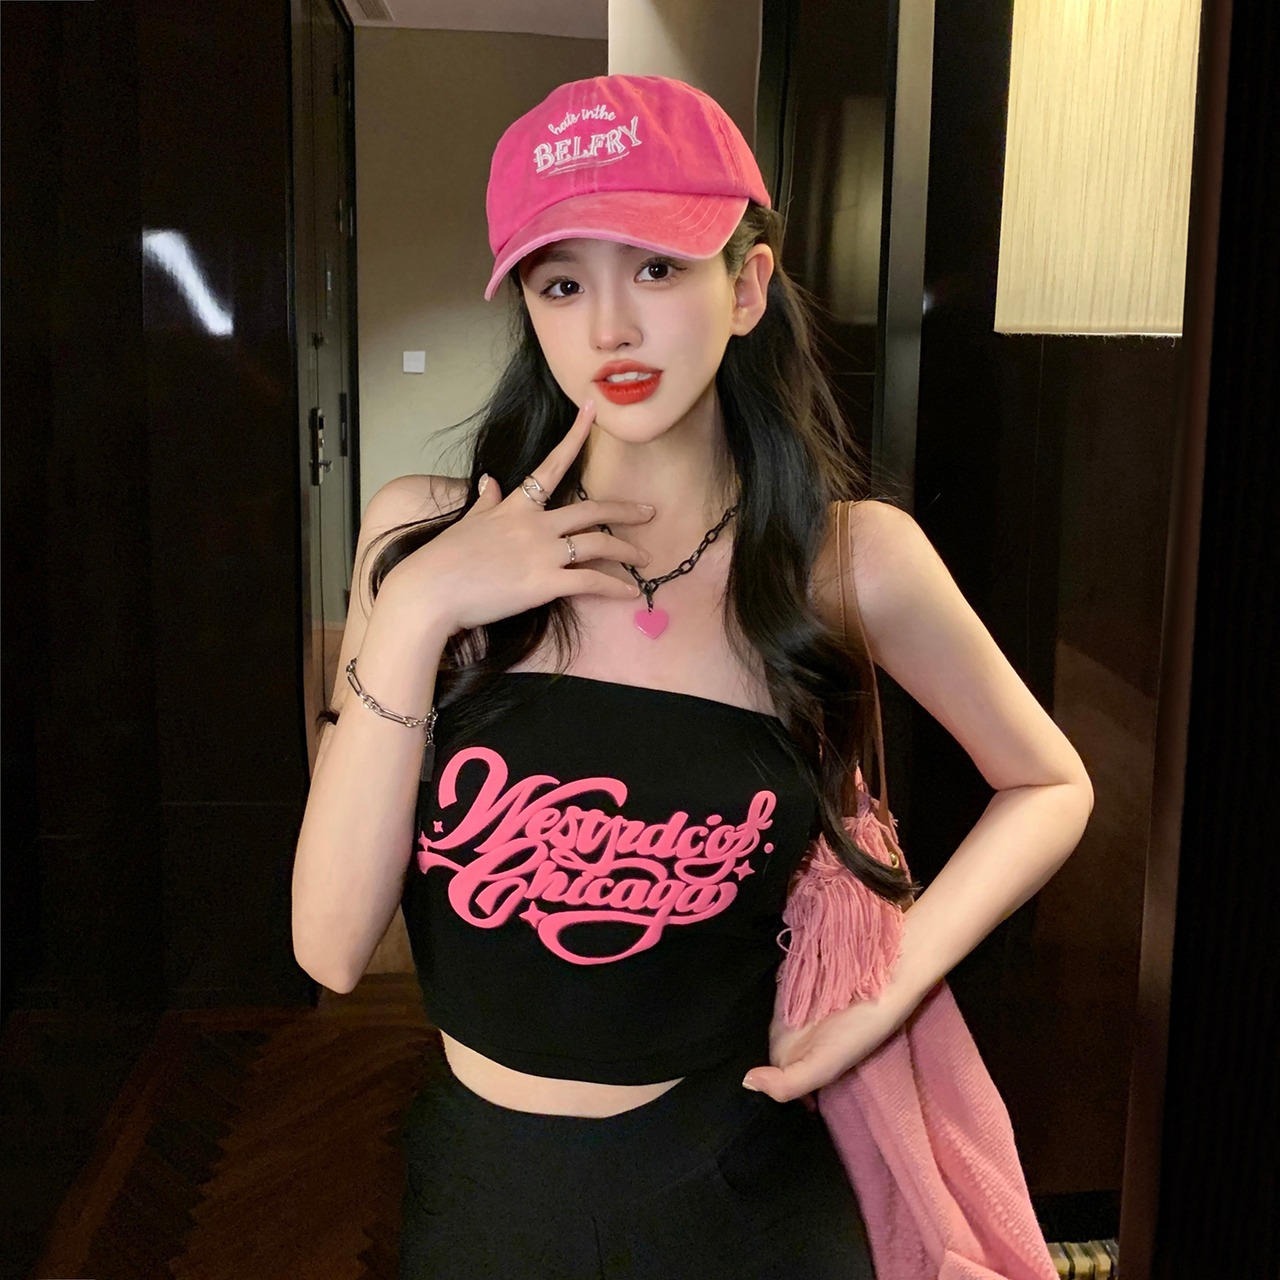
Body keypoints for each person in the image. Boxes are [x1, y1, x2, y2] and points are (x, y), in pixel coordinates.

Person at [291, 74, 1094, 1280]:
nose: (608, 328)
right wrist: (415, 611)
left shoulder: (848, 559)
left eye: (657, 269)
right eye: (562, 283)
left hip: (744, 1189)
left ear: (747, 285)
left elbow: (1049, 783)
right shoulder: (420, 537)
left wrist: (882, 990)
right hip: (483, 1196)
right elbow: (327, 947)